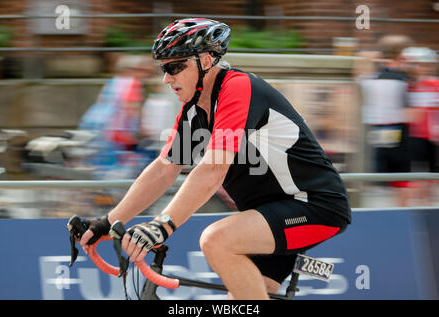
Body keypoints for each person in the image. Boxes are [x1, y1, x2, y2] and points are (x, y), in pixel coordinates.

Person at [78, 18, 351, 300]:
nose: (166, 78)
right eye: (163, 68)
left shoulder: (238, 88)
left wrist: (162, 225)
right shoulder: (194, 112)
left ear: (206, 60)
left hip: (314, 206)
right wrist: (108, 221)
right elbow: (164, 169)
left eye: (174, 67)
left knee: (217, 240)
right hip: (267, 215)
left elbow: (212, 169)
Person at [358, 35, 414, 207]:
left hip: (373, 128)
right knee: (401, 177)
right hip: (398, 128)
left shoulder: (369, 78)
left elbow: (359, 77)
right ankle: (402, 211)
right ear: (401, 56)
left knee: (370, 176)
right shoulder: (405, 80)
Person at [402, 47, 439, 204]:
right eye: (419, 65)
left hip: (432, 136)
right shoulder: (410, 85)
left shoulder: (435, 84)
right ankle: (417, 203)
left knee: (431, 173)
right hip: (414, 136)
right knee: (415, 173)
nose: (422, 68)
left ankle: (426, 203)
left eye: (426, 65)